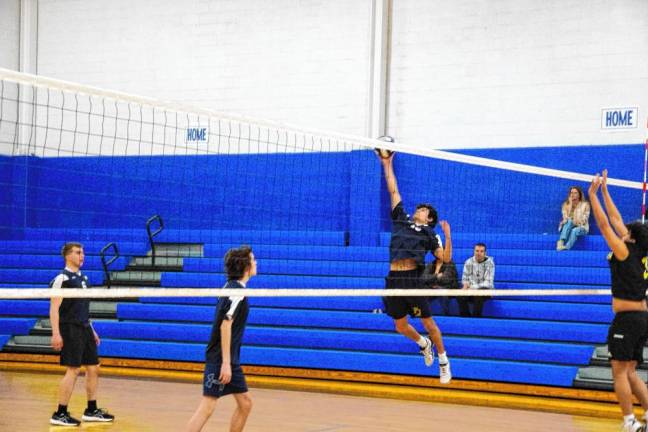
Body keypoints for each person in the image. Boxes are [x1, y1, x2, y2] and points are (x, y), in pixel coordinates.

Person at [378, 149, 453, 384]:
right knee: (400, 326)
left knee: (429, 323)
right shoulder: (401, 219)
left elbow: (446, 259)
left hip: (413, 279)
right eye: (419, 208)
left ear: (429, 218)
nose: (419, 210)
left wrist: (448, 236)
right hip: (393, 278)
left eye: (423, 210)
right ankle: (423, 344)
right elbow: (393, 190)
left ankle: (443, 362)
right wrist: (386, 163)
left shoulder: (431, 234)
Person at [589, 170, 648, 432]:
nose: (621, 229)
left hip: (628, 320)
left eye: (625, 231)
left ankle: (629, 421)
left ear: (630, 237)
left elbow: (604, 225)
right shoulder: (636, 250)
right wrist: (605, 191)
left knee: (619, 372)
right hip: (642, 319)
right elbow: (615, 218)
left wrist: (591, 196)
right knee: (631, 371)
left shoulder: (624, 250)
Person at [185, 245, 256, 432]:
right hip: (221, 359)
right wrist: (225, 363)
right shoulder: (236, 292)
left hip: (229, 358)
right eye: (253, 259)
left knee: (245, 403)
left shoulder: (231, 287)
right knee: (207, 407)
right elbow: (226, 325)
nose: (256, 262)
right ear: (247, 266)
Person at [49, 242, 114, 426]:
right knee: (73, 370)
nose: (82, 255)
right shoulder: (62, 278)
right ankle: (60, 413)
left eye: (83, 252)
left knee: (94, 367)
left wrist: (91, 330)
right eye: (78, 252)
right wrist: (56, 333)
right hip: (70, 328)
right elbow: (54, 308)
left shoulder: (84, 278)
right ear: (67, 256)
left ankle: (91, 409)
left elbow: (83, 308)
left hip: (84, 327)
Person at [459, 243, 494, 318]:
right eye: (477, 251)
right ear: (474, 251)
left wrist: (473, 287)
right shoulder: (468, 262)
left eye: (481, 251)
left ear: (485, 253)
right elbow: (464, 278)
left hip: (485, 290)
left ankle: (476, 318)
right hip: (471, 289)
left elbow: (488, 283)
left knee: (479, 293)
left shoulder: (490, 263)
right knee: (459, 295)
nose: (479, 253)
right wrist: (465, 285)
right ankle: (466, 317)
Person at [557, 186, 590, 251]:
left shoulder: (585, 205)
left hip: (582, 227)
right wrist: (570, 205)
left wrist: (575, 221)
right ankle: (561, 242)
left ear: (579, 194)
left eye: (575, 193)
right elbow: (565, 218)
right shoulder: (565, 205)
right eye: (571, 193)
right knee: (569, 221)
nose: (573, 194)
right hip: (568, 226)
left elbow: (584, 219)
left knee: (574, 230)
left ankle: (566, 247)